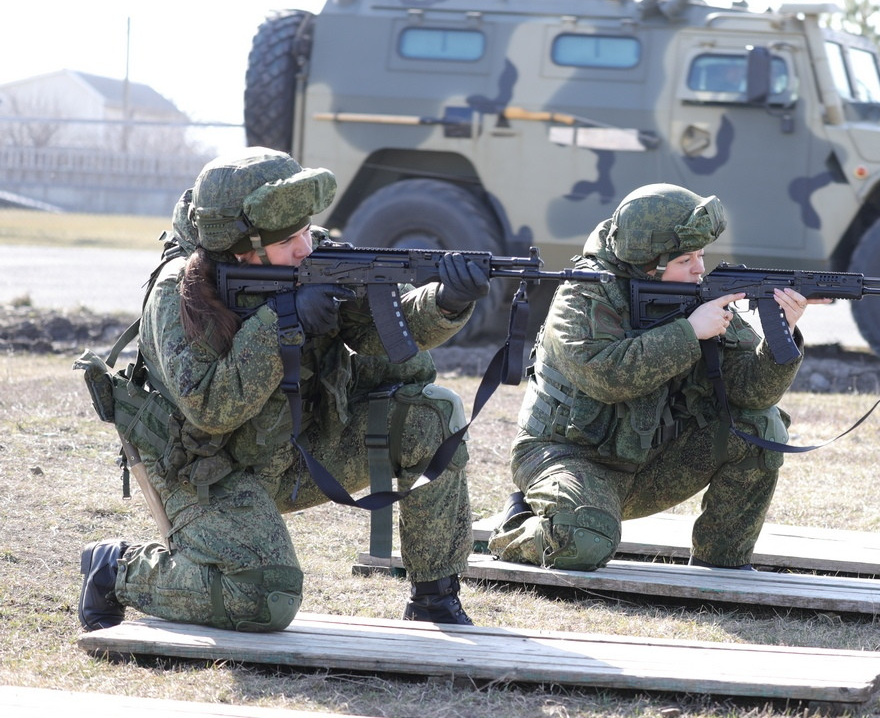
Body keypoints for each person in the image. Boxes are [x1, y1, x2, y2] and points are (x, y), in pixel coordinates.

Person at [78, 147, 487, 632]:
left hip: (292, 453)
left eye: (306, 230)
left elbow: (381, 332)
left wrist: (445, 301)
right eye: (288, 239)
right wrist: (282, 324)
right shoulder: (178, 292)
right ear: (242, 248)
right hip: (206, 473)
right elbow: (211, 408)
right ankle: (116, 569)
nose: (305, 247)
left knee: (432, 416)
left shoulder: (313, 259)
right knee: (265, 597)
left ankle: (435, 599)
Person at [487, 183, 828, 571]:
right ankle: (518, 523)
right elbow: (607, 377)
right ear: (650, 262)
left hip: (650, 462)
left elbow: (751, 393)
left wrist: (782, 332)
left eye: (701, 255)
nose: (699, 269)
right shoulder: (583, 295)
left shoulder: (695, 296)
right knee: (583, 541)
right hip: (571, 457)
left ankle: (722, 565)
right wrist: (690, 332)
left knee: (760, 427)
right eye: (685, 260)